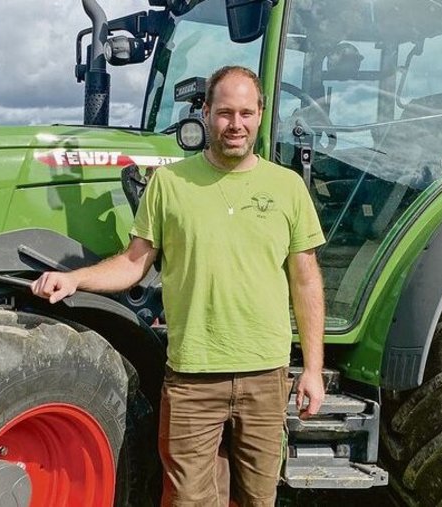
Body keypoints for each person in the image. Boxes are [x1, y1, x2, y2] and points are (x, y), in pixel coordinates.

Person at [31, 65, 326, 506]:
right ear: (206, 113)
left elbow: (305, 281)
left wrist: (313, 370)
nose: (236, 124)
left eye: (246, 112)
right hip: (192, 378)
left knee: (258, 498)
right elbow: (133, 263)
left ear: (261, 115)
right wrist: (76, 278)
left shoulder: (287, 188)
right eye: (225, 112)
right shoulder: (169, 184)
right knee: (186, 499)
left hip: (265, 376)